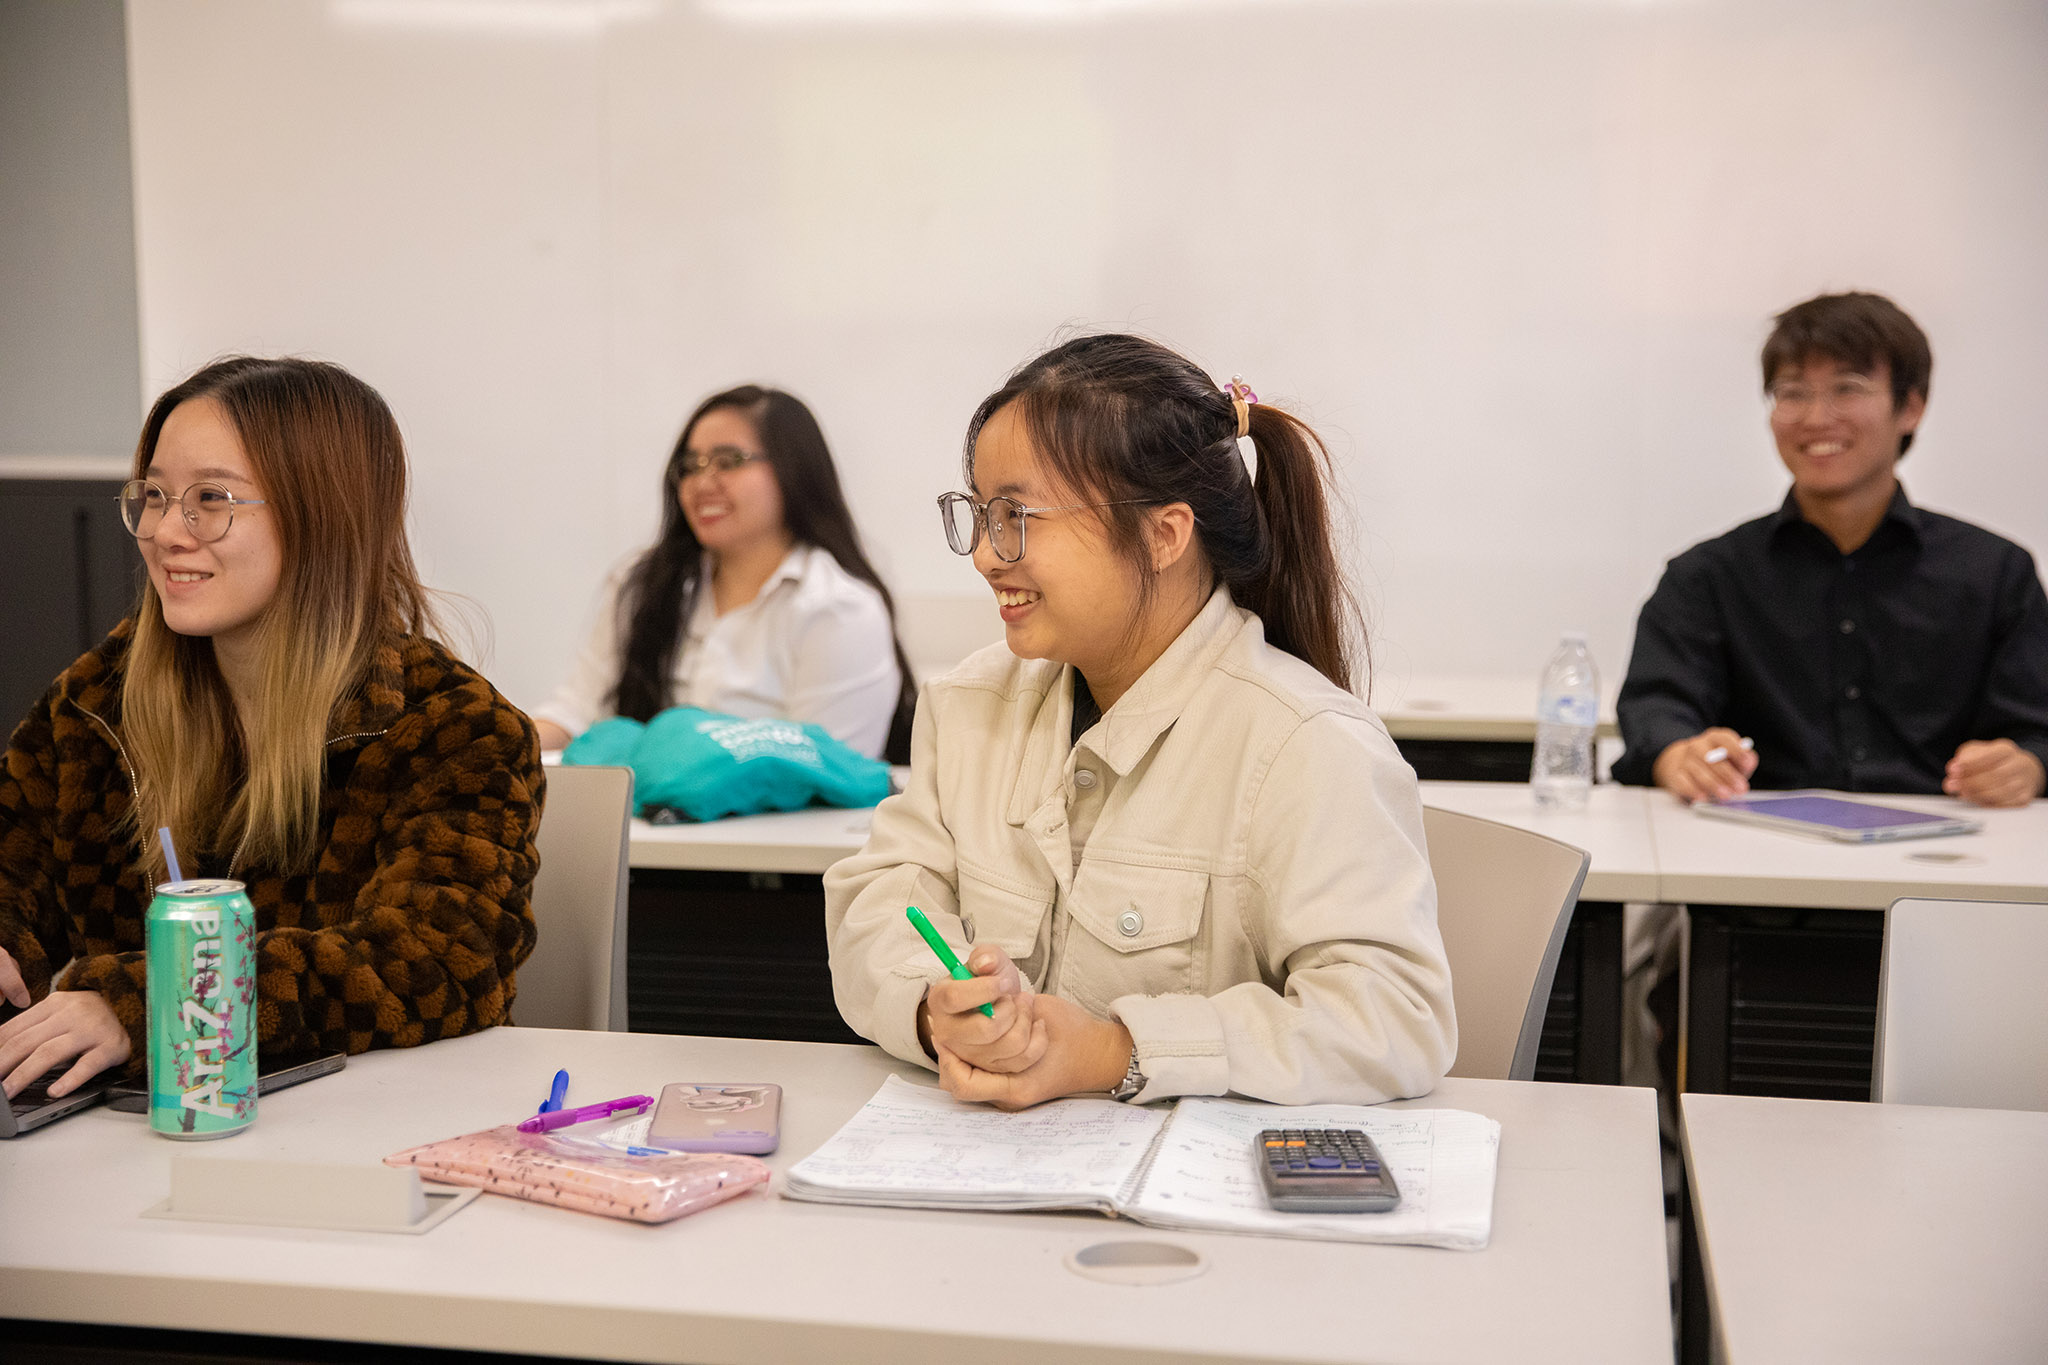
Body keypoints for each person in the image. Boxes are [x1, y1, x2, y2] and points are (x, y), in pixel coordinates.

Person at [825, 334, 1456, 1110]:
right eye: (982, 514)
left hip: (1203, 1208)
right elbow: (884, 898)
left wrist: (1114, 1050)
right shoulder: (970, 704)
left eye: (1018, 515)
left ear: (1165, 534)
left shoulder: (1307, 742)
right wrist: (938, 1011)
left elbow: (1394, 1018)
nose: (988, 556)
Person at [0, 357, 543, 1103]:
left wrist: (155, 1001)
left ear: (321, 514)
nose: (164, 531)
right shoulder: (99, 701)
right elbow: (14, 865)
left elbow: (437, 961)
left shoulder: (453, 728)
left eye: (211, 499)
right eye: (154, 496)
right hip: (134, 1142)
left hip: (376, 1138)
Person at [1614, 291, 2048, 807]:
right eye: (1792, 392)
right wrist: (1678, 755)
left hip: (1950, 865)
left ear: (1910, 407)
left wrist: (2028, 766)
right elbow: (1657, 710)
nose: (1816, 417)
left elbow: (2036, 730)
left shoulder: (1996, 573)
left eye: (1848, 388)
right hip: (1752, 862)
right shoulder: (1707, 576)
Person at [532, 385, 914, 762]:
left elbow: (825, 774)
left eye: (727, 461)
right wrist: (501, 744)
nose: (701, 483)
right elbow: (576, 710)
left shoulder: (839, 609)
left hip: (783, 824)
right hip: (646, 820)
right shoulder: (643, 583)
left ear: (792, 469)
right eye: (690, 465)